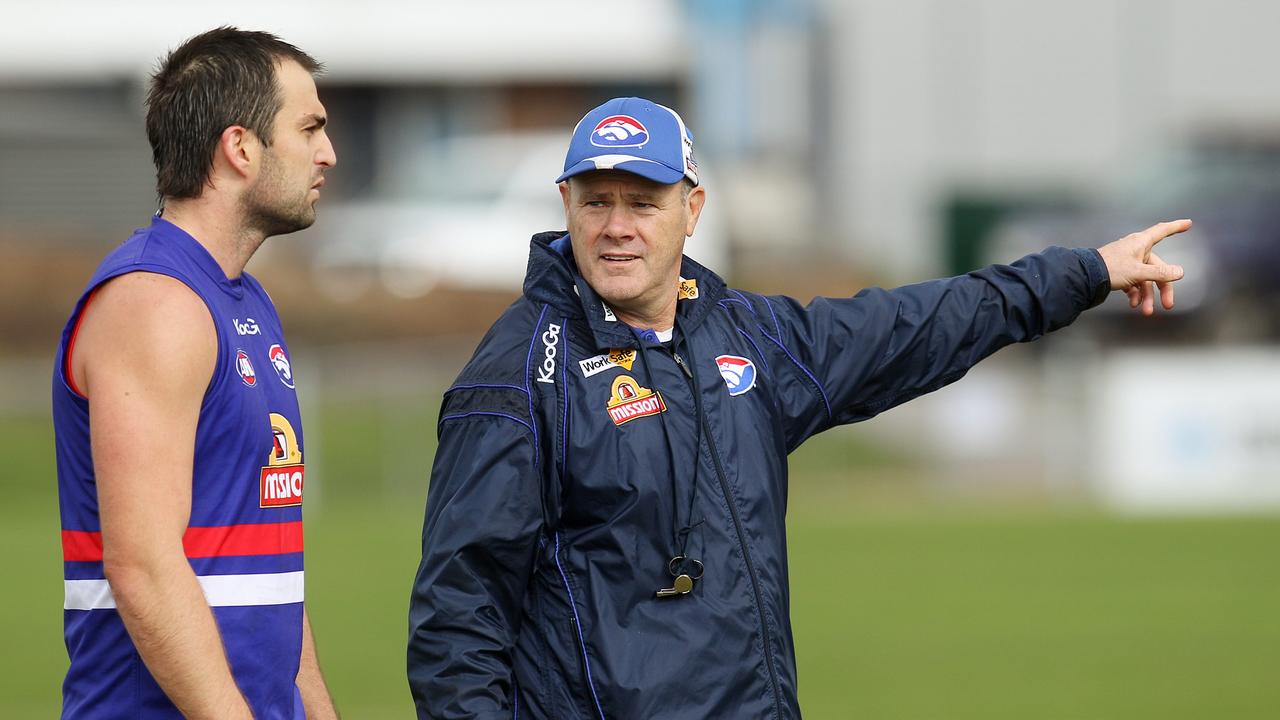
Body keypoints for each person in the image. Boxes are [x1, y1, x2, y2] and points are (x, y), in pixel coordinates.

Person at [406, 97, 1189, 719]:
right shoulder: (516, 376)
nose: (616, 227)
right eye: (596, 201)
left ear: (692, 209)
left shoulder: (747, 337)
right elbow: (456, 620)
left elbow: (916, 326)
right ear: (565, 203)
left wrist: (1083, 272)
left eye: (642, 203)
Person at [52, 27, 338, 719]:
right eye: (310, 128)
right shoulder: (156, 303)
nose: (328, 152)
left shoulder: (244, 300)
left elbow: (270, 576)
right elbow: (142, 565)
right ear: (241, 148)